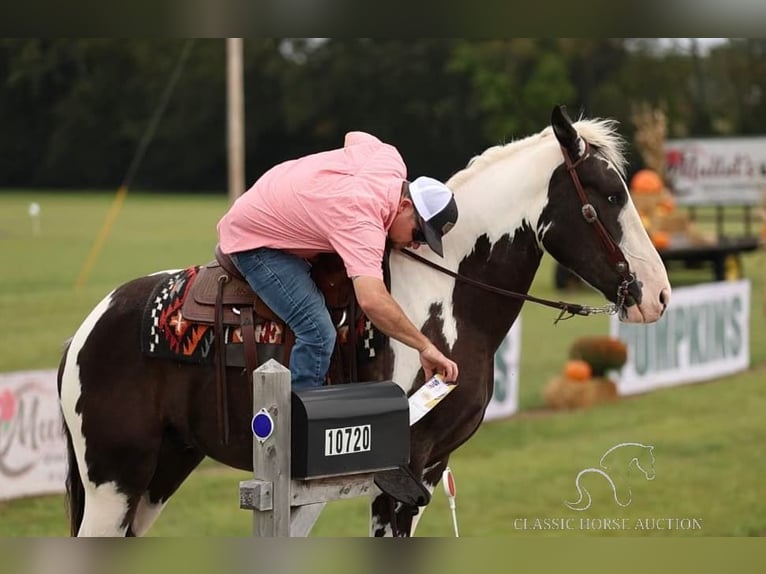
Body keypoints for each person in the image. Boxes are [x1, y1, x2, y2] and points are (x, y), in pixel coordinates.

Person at [217, 131, 459, 388]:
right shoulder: (360, 220)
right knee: (318, 333)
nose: (415, 245)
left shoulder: (389, 159)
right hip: (255, 241)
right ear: (404, 206)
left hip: (268, 192)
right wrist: (424, 346)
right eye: (419, 234)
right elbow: (372, 301)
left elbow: (355, 136)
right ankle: (296, 423)